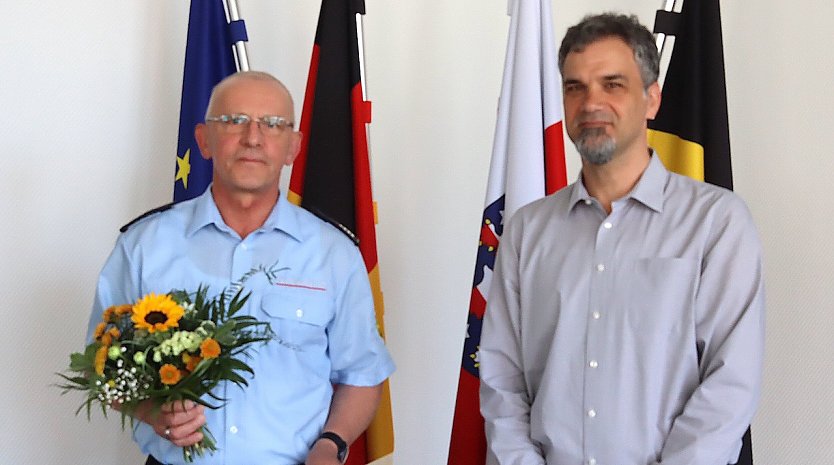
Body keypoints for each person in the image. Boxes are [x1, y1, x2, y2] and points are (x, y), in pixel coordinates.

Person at [479, 13, 765, 465]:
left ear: (652, 99)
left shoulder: (716, 223)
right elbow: (501, 380)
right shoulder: (527, 231)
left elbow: (730, 385)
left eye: (612, 84)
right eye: (575, 87)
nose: (591, 102)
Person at [87, 71, 395, 465]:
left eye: (272, 124)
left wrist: (331, 443)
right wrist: (154, 413)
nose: (253, 137)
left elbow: (362, 374)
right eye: (234, 121)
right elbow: (103, 364)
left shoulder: (333, 254)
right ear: (203, 139)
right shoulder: (145, 245)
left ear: (293, 147)